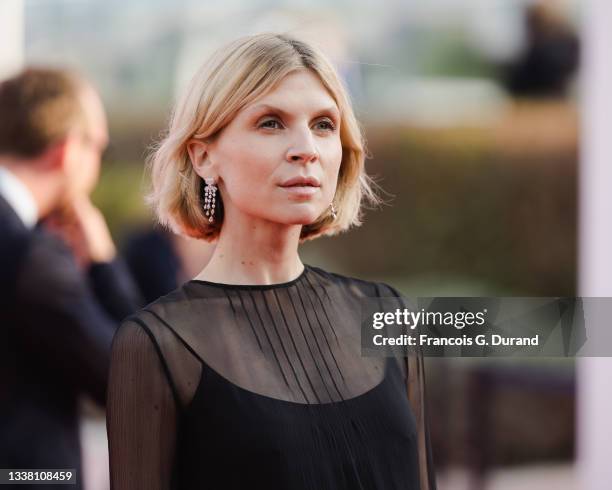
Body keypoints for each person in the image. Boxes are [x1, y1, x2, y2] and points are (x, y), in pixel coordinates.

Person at [106, 33, 436, 490]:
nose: (307, 148)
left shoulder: (386, 315)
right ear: (204, 156)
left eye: (323, 124)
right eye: (271, 123)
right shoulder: (160, 344)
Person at [0, 68, 142, 489]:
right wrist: (104, 263)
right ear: (66, 150)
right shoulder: (29, 254)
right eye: (99, 146)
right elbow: (125, 379)